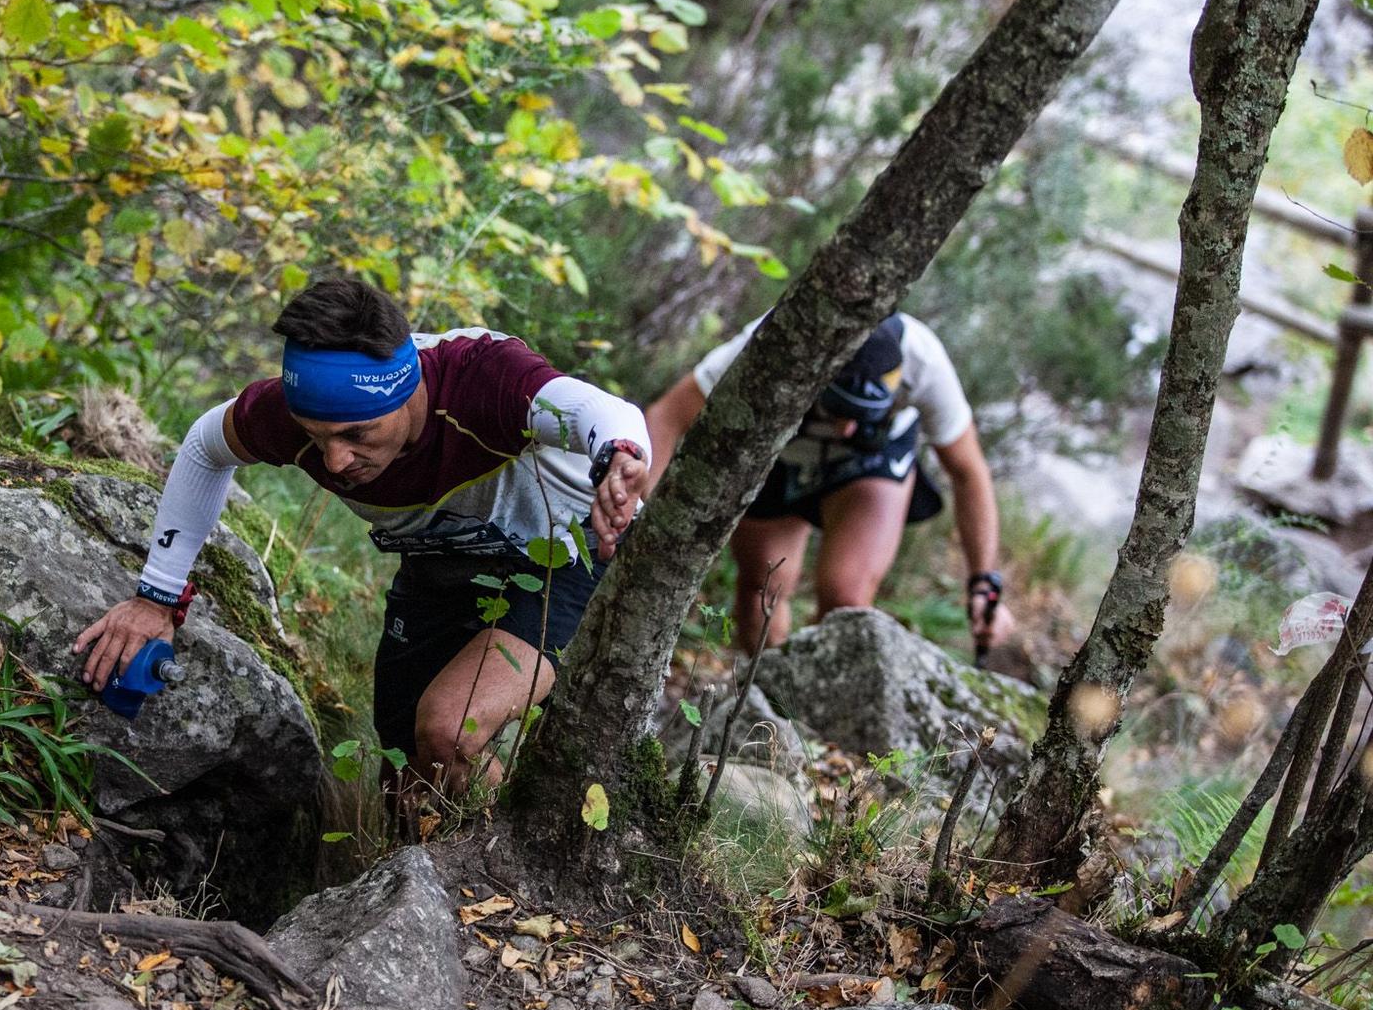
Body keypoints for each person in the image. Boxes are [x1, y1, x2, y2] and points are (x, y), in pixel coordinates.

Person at [74, 275, 653, 797]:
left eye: (358, 432)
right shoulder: (287, 413)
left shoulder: (482, 378)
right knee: (406, 781)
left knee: (450, 731)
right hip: (439, 566)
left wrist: (620, 455)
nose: (335, 459)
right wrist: (157, 596)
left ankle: (527, 879)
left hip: (566, 553)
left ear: (407, 393)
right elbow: (205, 446)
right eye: (315, 434)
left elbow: (600, 411)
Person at [644, 311, 1012, 656]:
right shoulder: (775, 341)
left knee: (846, 599)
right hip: (780, 451)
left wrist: (984, 582)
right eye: (839, 409)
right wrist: (640, 522)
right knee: (762, 591)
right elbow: (667, 417)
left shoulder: (924, 361)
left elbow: (968, 472)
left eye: (862, 415)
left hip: (871, 460)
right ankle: (767, 703)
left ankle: (814, 713)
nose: (846, 428)